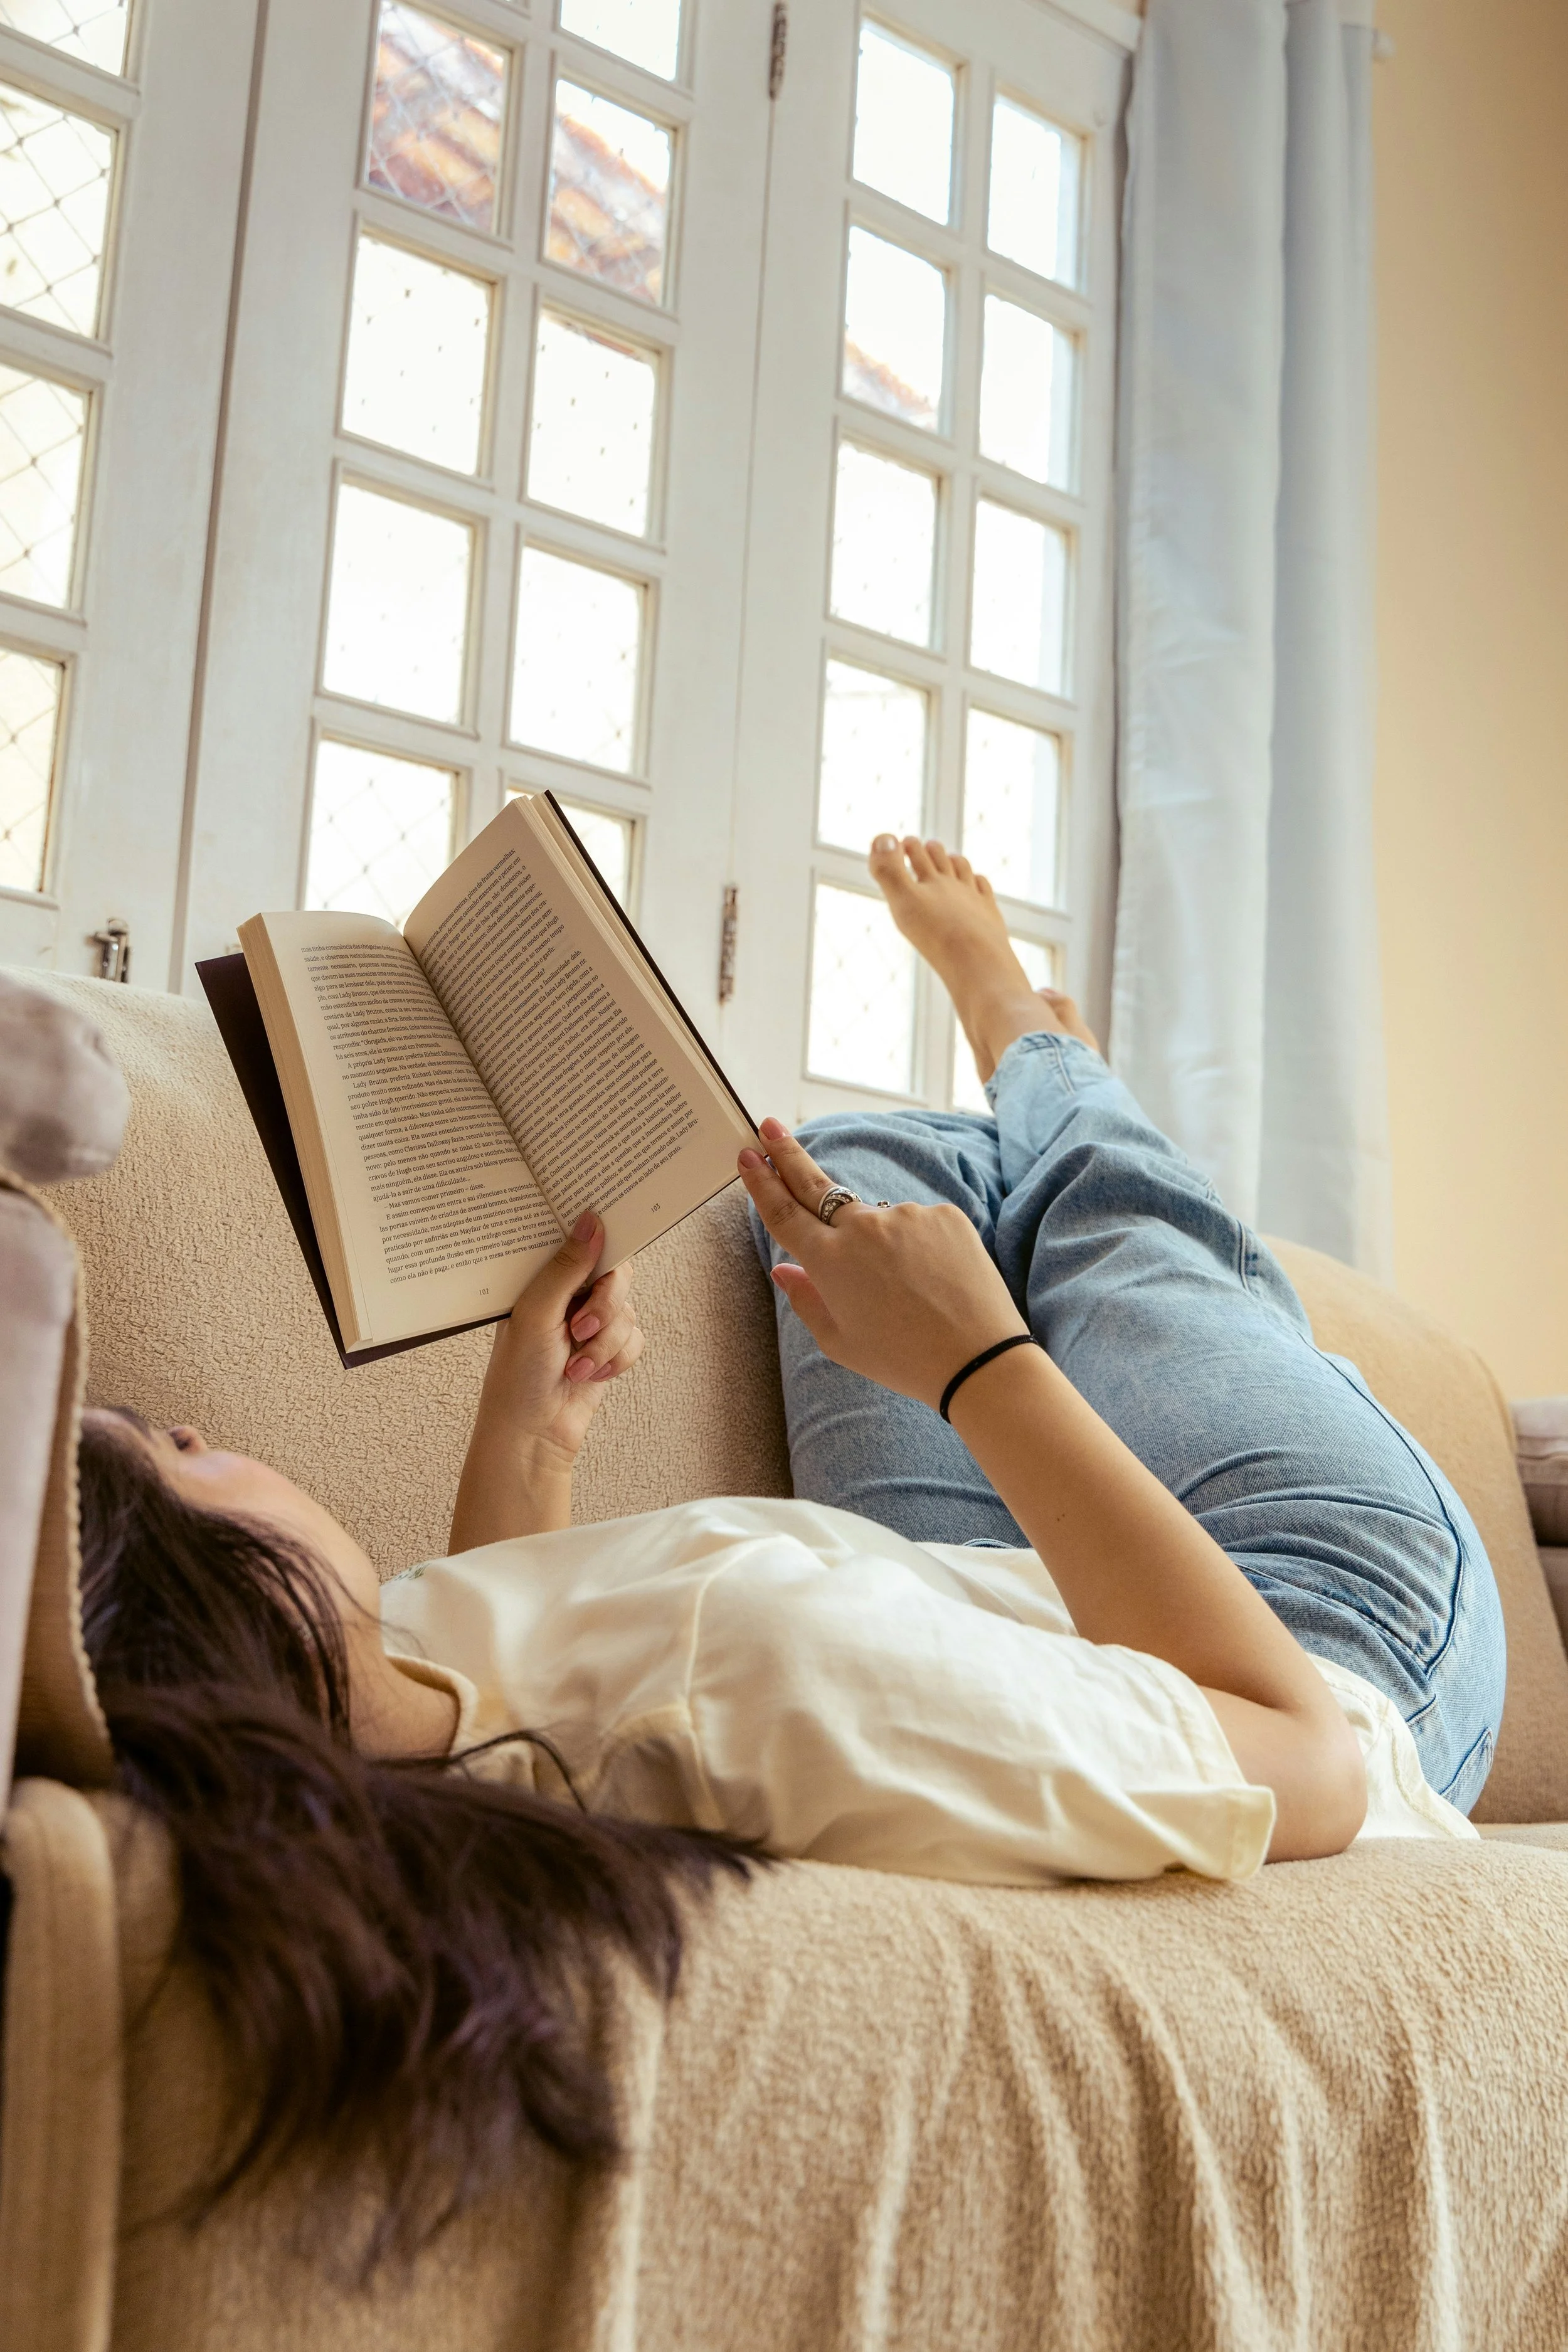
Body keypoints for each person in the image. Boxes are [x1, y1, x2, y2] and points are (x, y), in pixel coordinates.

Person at [75, 835, 1505, 2264]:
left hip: (976, 1614)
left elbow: (513, 1677)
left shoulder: (386, 1721)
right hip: (1314, 1626)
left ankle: (1029, 1095)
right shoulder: (765, 1679)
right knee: (1120, 1234)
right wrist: (976, 1365)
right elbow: (1304, 1763)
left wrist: (538, 1421)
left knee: (863, 1167)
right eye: (190, 1457)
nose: (214, 1430)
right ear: (239, 1606)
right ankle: (1025, 1024)